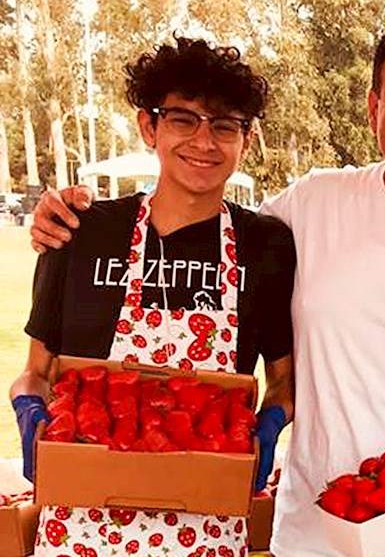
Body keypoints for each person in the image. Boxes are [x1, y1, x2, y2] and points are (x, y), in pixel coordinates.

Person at [27, 26, 385, 557]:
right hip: (311, 535)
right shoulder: (312, 205)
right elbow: (199, 209)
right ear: (375, 109)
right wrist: (66, 215)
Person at [11, 36, 294, 556]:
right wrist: (29, 409)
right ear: (149, 126)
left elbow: (283, 381)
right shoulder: (80, 231)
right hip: (80, 526)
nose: (205, 142)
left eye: (225, 125)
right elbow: (39, 370)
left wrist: (270, 424)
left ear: (245, 141)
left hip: (205, 529)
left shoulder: (267, 245)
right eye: (184, 119)